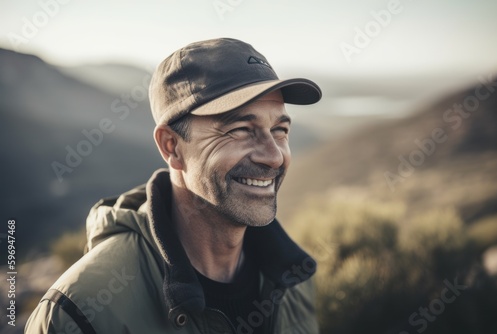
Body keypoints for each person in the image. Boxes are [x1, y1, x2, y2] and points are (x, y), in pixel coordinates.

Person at [25, 37, 322, 334]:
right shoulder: (78, 312)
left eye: (279, 130)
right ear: (172, 147)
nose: (273, 156)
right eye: (241, 130)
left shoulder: (295, 281)